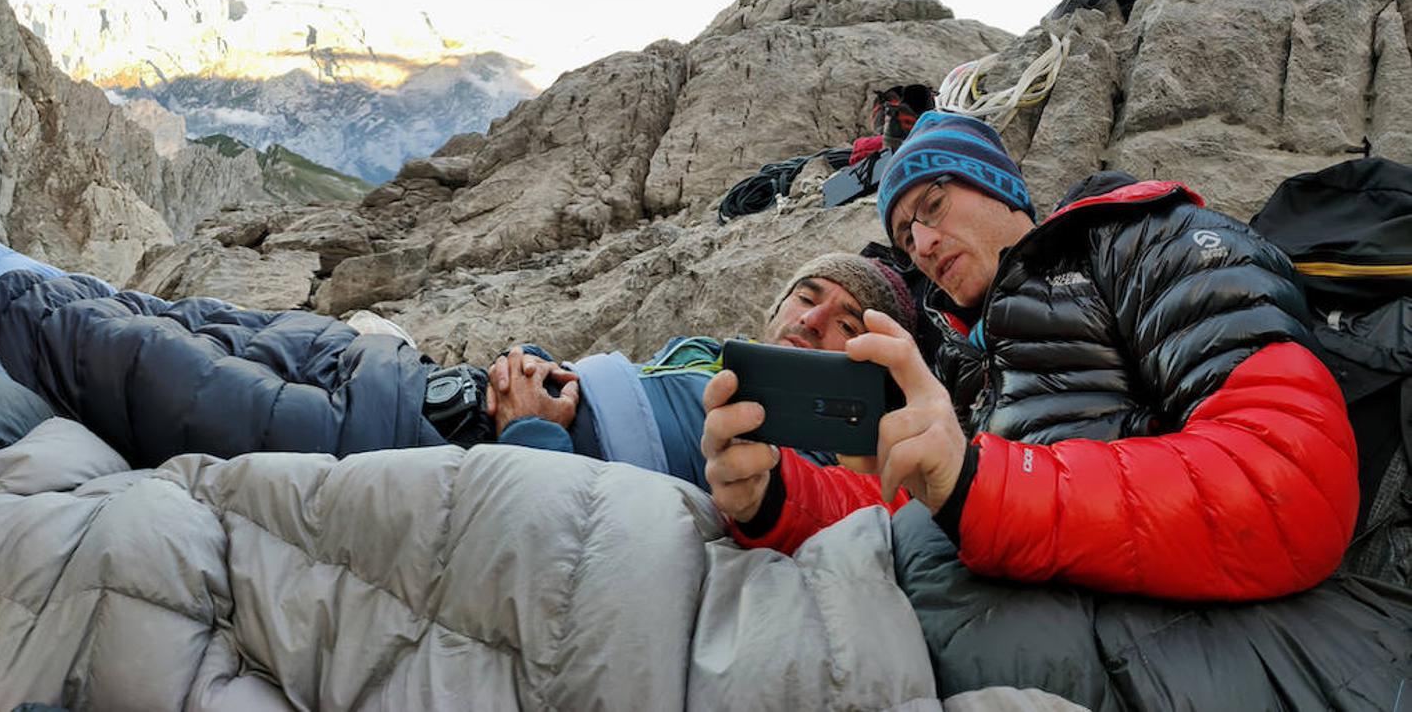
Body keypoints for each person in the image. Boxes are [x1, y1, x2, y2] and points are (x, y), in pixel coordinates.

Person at [702, 111, 1359, 600]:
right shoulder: (963, 362)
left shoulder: (1142, 238)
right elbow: (916, 509)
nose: (924, 243)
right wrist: (774, 499)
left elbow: (1287, 478)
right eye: (906, 237)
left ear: (999, 188)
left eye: (933, 205)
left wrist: (979, 485)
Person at [485, 252, 914, 488]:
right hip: (493, 409)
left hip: (520, 461)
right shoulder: (701, 352)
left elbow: (585, 533)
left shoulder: (815, 465)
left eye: (846, 324)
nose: (812, 319)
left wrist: (530, 432)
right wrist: (526, 366)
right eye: (805, 297)